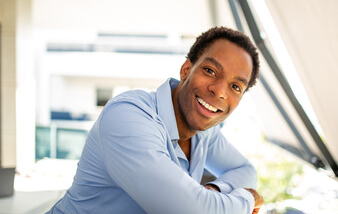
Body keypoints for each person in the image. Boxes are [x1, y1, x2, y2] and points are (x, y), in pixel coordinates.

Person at [46, 26, 263, 214]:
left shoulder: (205, 131)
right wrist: (247, 200)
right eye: (210, 70)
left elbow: (245, 171)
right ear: (186, 70)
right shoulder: (128, 116)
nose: (219, 92)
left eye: (235, 87)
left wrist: (214, 190)